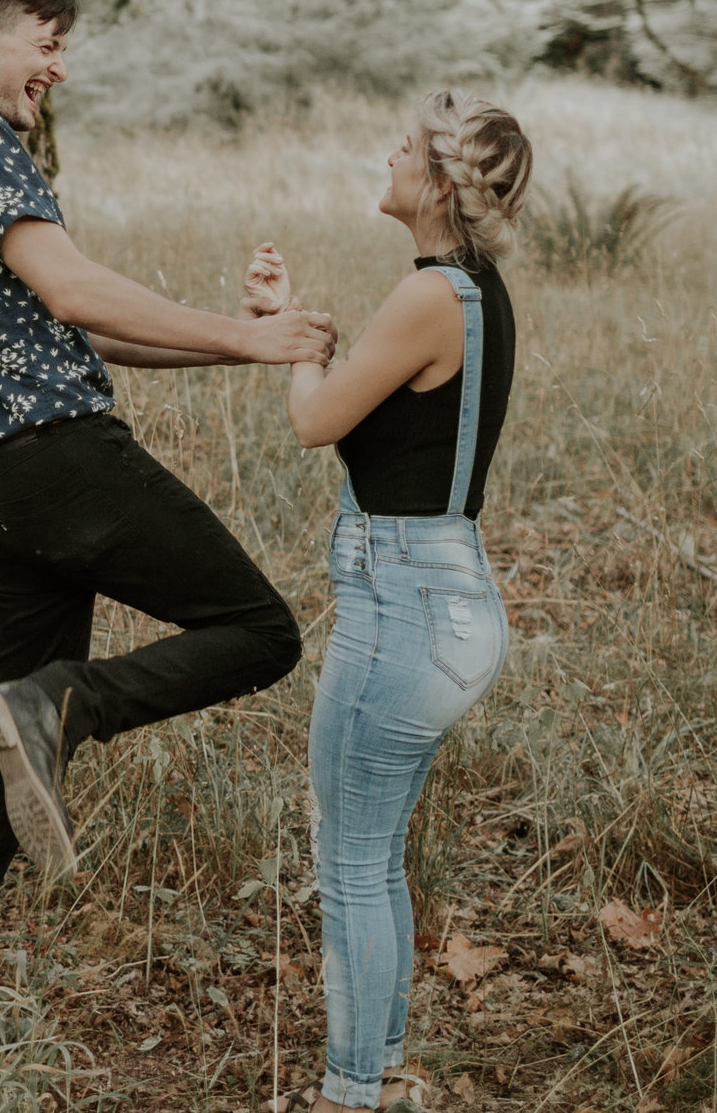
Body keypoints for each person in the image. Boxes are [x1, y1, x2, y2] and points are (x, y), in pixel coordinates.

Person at [0, 0, 336, 1042]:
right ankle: (65, 705)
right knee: (258, 630)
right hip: (59, 466)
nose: (58, 65)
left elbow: (81, 332)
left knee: (15, 739)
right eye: (45, 42)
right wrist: (246, 333)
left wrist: (244, 350)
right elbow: (77, 290)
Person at [244, 91, 533, 1113]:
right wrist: (292, 328)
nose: (389, 154)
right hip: (444, 597)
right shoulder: (473, 289)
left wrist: (294, 341)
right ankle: (383, 1071)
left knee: (351, 863)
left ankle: (348, 1094)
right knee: (373, 858)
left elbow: (316, 418)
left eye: (405, 148)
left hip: (403, 607)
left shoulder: (426, 296)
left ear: (442, 184)